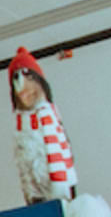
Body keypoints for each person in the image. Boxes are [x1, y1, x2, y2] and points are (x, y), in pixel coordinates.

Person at [8, 47, 75, 205]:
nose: (25, 94)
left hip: (58, 189)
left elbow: (58, 151)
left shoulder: (48, 115)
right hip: (36, 193)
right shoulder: (21, 123)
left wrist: (61, 189)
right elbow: (23, 163)